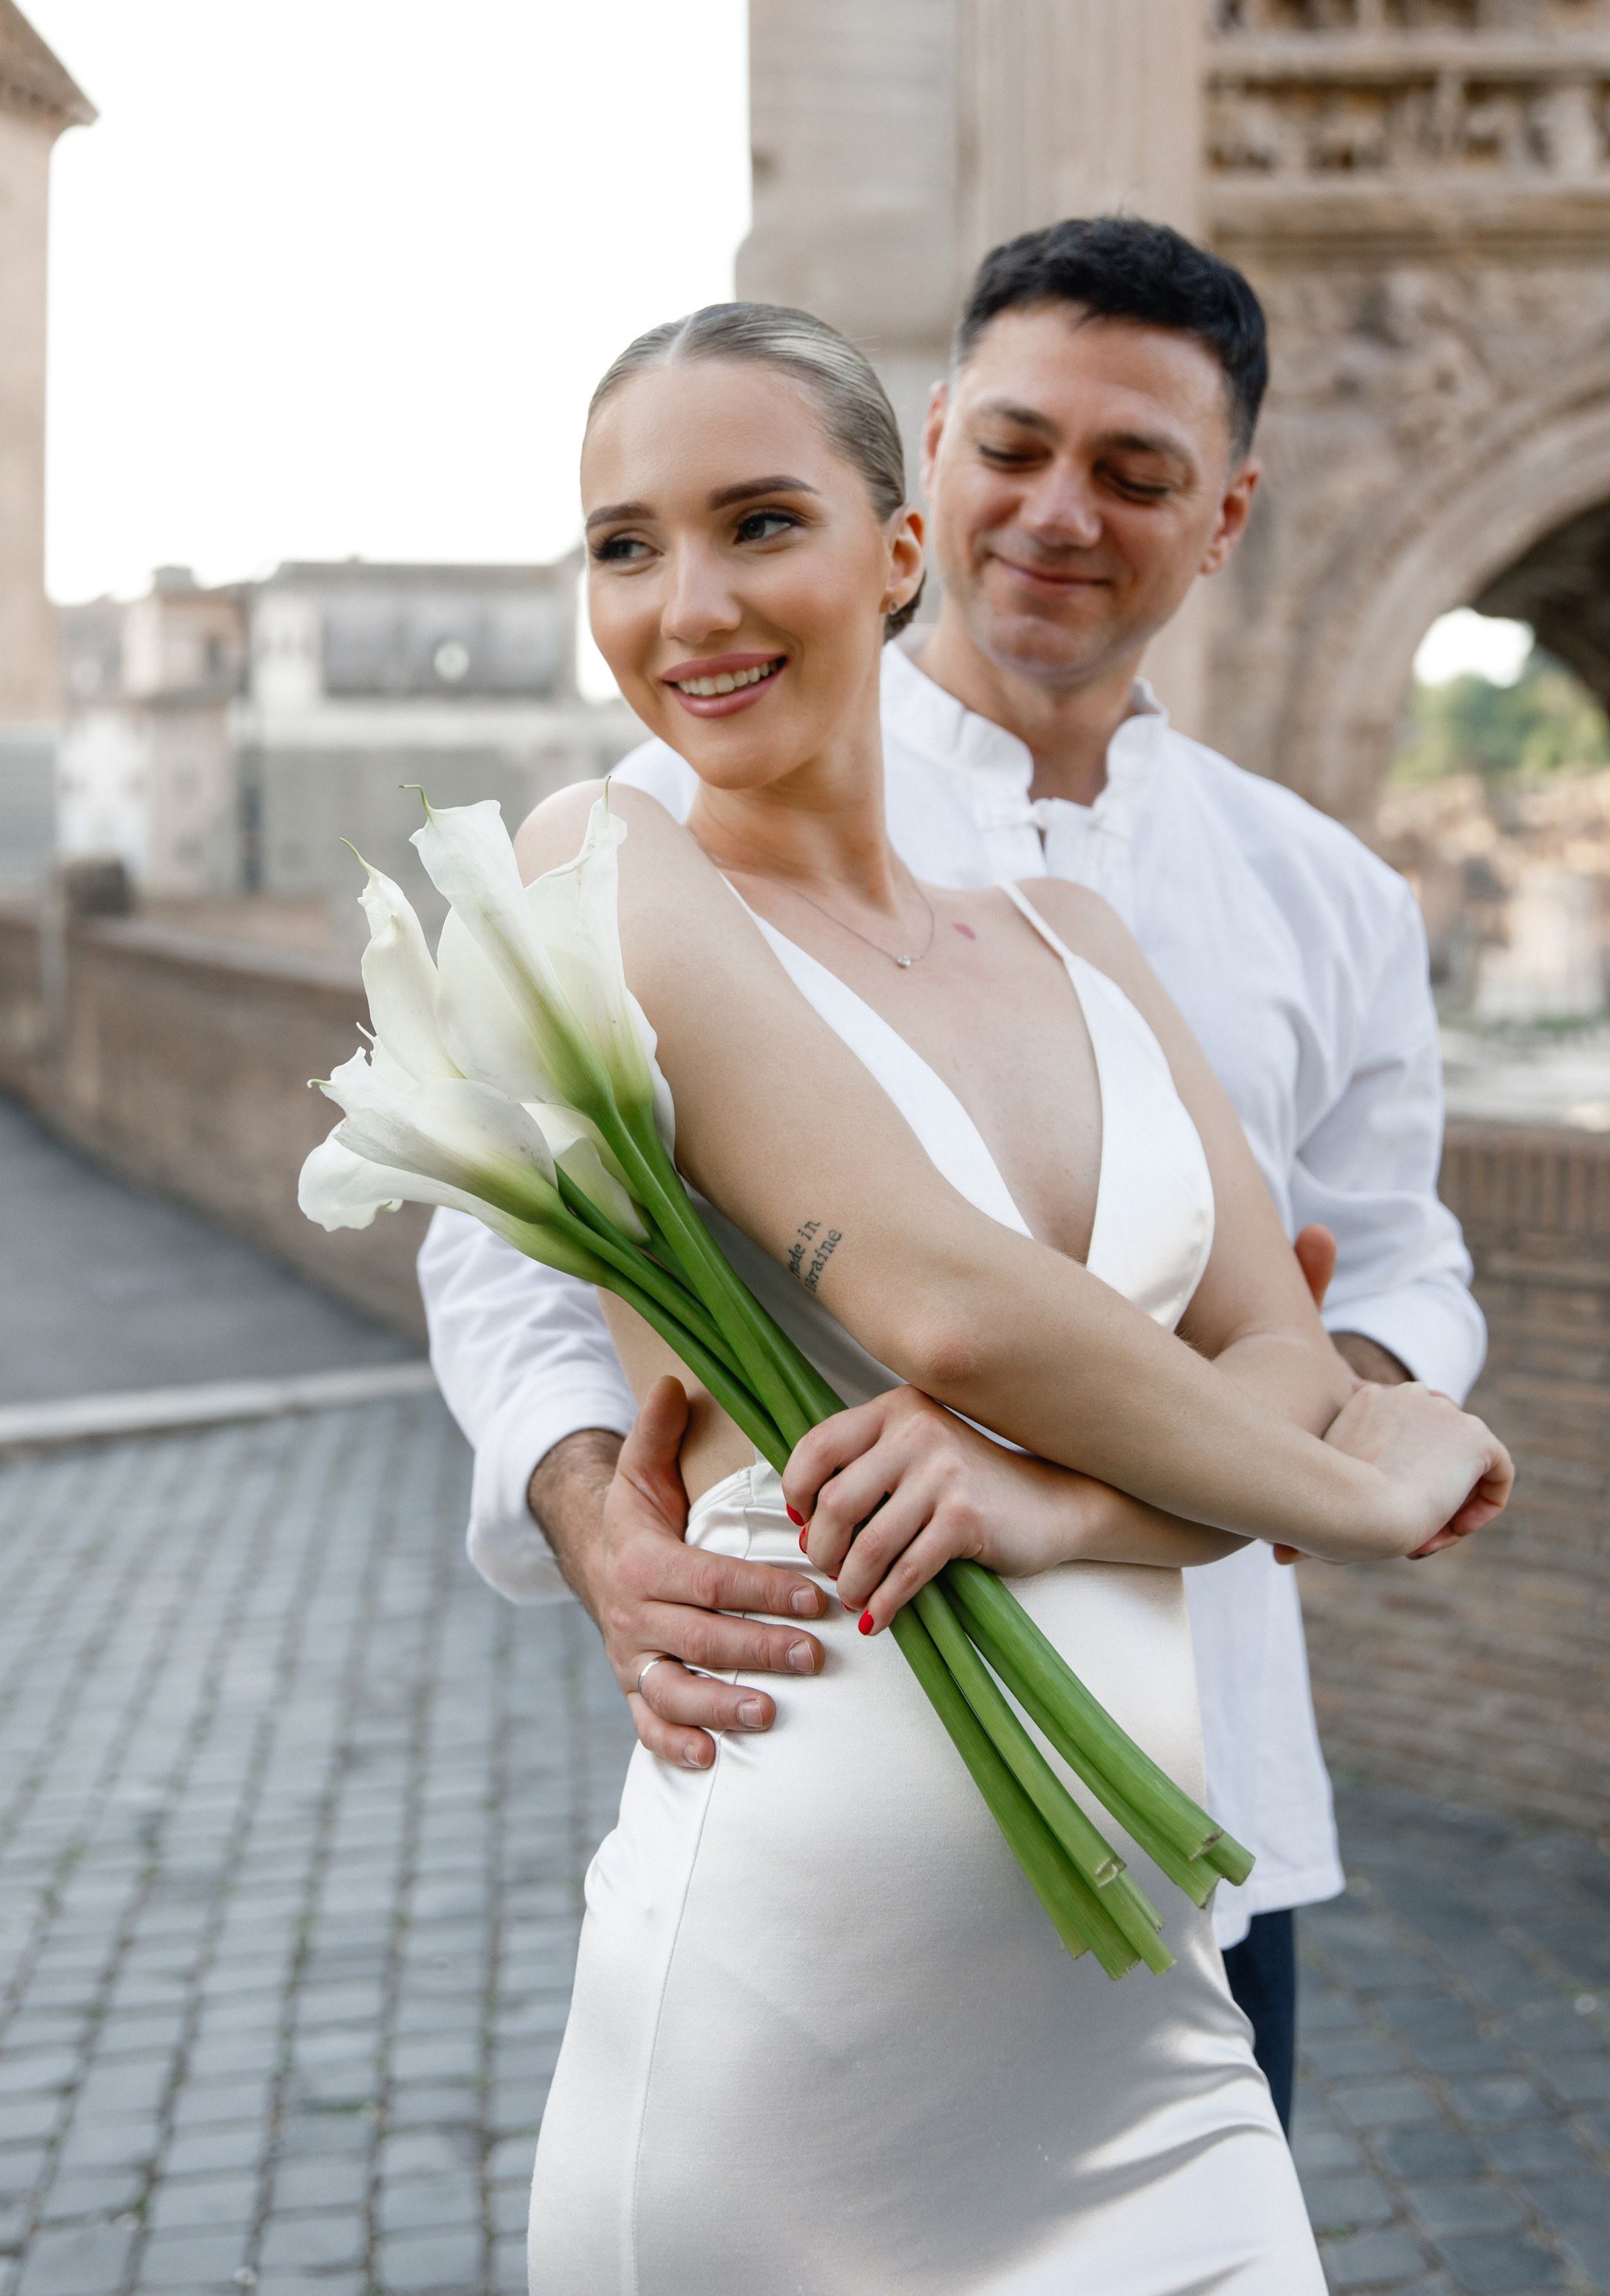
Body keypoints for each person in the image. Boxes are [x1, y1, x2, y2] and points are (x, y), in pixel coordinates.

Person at [420, 218, 1487, 2130]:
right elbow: (505, 1261)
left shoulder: (1330, 896)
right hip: (836, 1735)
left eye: (1136, 474)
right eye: (1013, 449)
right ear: (928, 465)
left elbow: (1396, 1271)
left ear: (1226, 514)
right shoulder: (651, 832)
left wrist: (1275, 1411)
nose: (1058, 514)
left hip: (1213, 1780)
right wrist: (601, 1531)